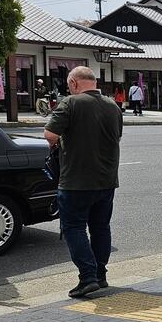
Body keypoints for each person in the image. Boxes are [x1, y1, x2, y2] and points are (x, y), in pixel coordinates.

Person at [44, 66, 124, 298]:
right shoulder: (112, 106)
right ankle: (100, 275)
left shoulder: (70, 103)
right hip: (107, 179)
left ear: (74, 83)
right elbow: (116, 136)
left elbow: (50, 136)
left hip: (76, 180)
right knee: (101, 227)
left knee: (74, 227)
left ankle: (87, 277)